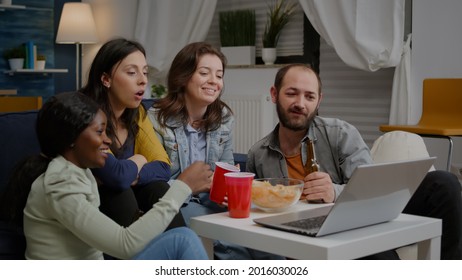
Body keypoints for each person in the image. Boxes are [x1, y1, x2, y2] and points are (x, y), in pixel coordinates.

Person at [246, 63, 462, 260]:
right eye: (291, 93)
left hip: (357, 220)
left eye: (309, 97)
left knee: (444, 183)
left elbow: (371, 190)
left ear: (319, 101)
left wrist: (333, 192)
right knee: (379, 259)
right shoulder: (258, 154)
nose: (300, 104)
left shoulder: (340, 133)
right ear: (274, 94)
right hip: (309, 238)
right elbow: (254, 217)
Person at [3, 92, 210, 259]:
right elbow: (125, 245)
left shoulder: (75, 171)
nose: (108, 140)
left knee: (182, 239)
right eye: (100, 132)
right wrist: (182, 187)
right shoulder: (59, 184)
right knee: (183, 241)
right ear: (72, 138)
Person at [148, 42, 283, 260]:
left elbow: (226, 167)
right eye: (204, 73)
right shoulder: (156, 120)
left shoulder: (224, 118)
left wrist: (230, 184)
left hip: (212, 202)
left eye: (219, 75)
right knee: (231, 243)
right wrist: (188, 185)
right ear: (183, 76)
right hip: (178, 204)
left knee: (267, 241)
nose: (214, 81)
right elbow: (153, 187)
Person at [80, 38, 200, 229]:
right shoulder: (85, 116)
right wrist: (139, 159)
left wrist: (129, 175)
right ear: (106, 79)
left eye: (144, 72)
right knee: (118, 191)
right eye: (131, 72)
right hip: (93, 204)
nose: (143, 80)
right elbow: (115, 177)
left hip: (129, 198)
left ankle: (178, 251)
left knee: (158, 189)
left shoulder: (138, 113)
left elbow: (163, 167)